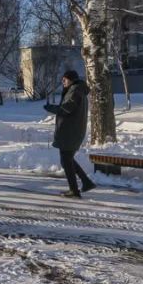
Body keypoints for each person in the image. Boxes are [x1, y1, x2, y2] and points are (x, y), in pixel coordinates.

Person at [44, 69, 96, 198]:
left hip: (71, 131)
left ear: (71, 79)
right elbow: (68, 107)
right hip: (71, 130)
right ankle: (86, 182)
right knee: (67, 159)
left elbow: (67, 109)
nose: (63, 81)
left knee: (66, 160)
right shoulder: (76, 90)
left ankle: (75, 190)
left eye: (65, 79)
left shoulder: (75, 90)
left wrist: (52, 108)